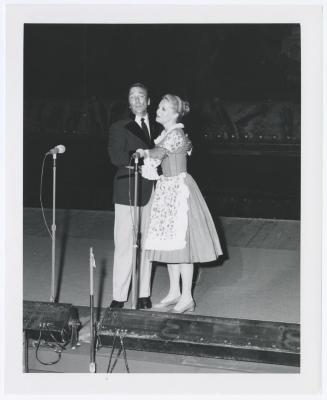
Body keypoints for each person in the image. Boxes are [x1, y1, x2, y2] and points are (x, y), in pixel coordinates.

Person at [136, 94, 223, 313]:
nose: (159, 111)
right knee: (169, 244)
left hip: (179, 190)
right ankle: (175, 291)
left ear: (175, 114)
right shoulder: (166, 134)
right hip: (166, 189)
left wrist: (143, 152)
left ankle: (187, 297)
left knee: (183, 244)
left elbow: (158, 153)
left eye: (164, 109)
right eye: (159, 107)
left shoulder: (176, 134)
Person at [107, 82, 160, 309]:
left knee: (148, 243)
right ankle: (119, 297)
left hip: (153, 191)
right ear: (129, 103)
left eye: (141, 96)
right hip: (127, 189)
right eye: (132, 97)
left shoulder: (160, 127)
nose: (137, 100)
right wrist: (143, 157)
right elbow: (116, 157)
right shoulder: (119, 126)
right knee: (124, 244)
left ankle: (143, 293)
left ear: (149, 101)